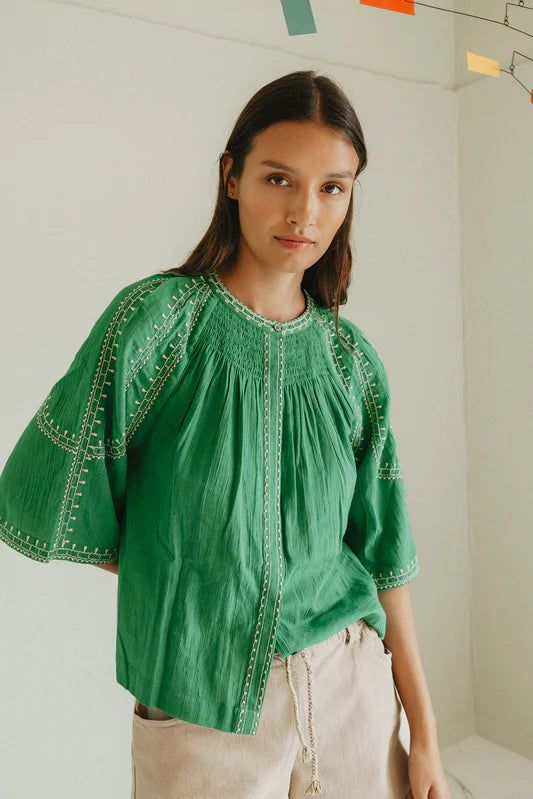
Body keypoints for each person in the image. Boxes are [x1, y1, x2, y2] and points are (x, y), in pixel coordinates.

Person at [0, 70, 450, 798]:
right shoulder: (156, 323)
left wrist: (423, 735)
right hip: (200, 700)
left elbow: (385, 556)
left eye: (332, 187)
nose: (304, 210)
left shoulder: (350, 361)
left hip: (353, 690)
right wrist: (194, 578)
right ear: (232, 176)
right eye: (279, 177)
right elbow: (47, 486)